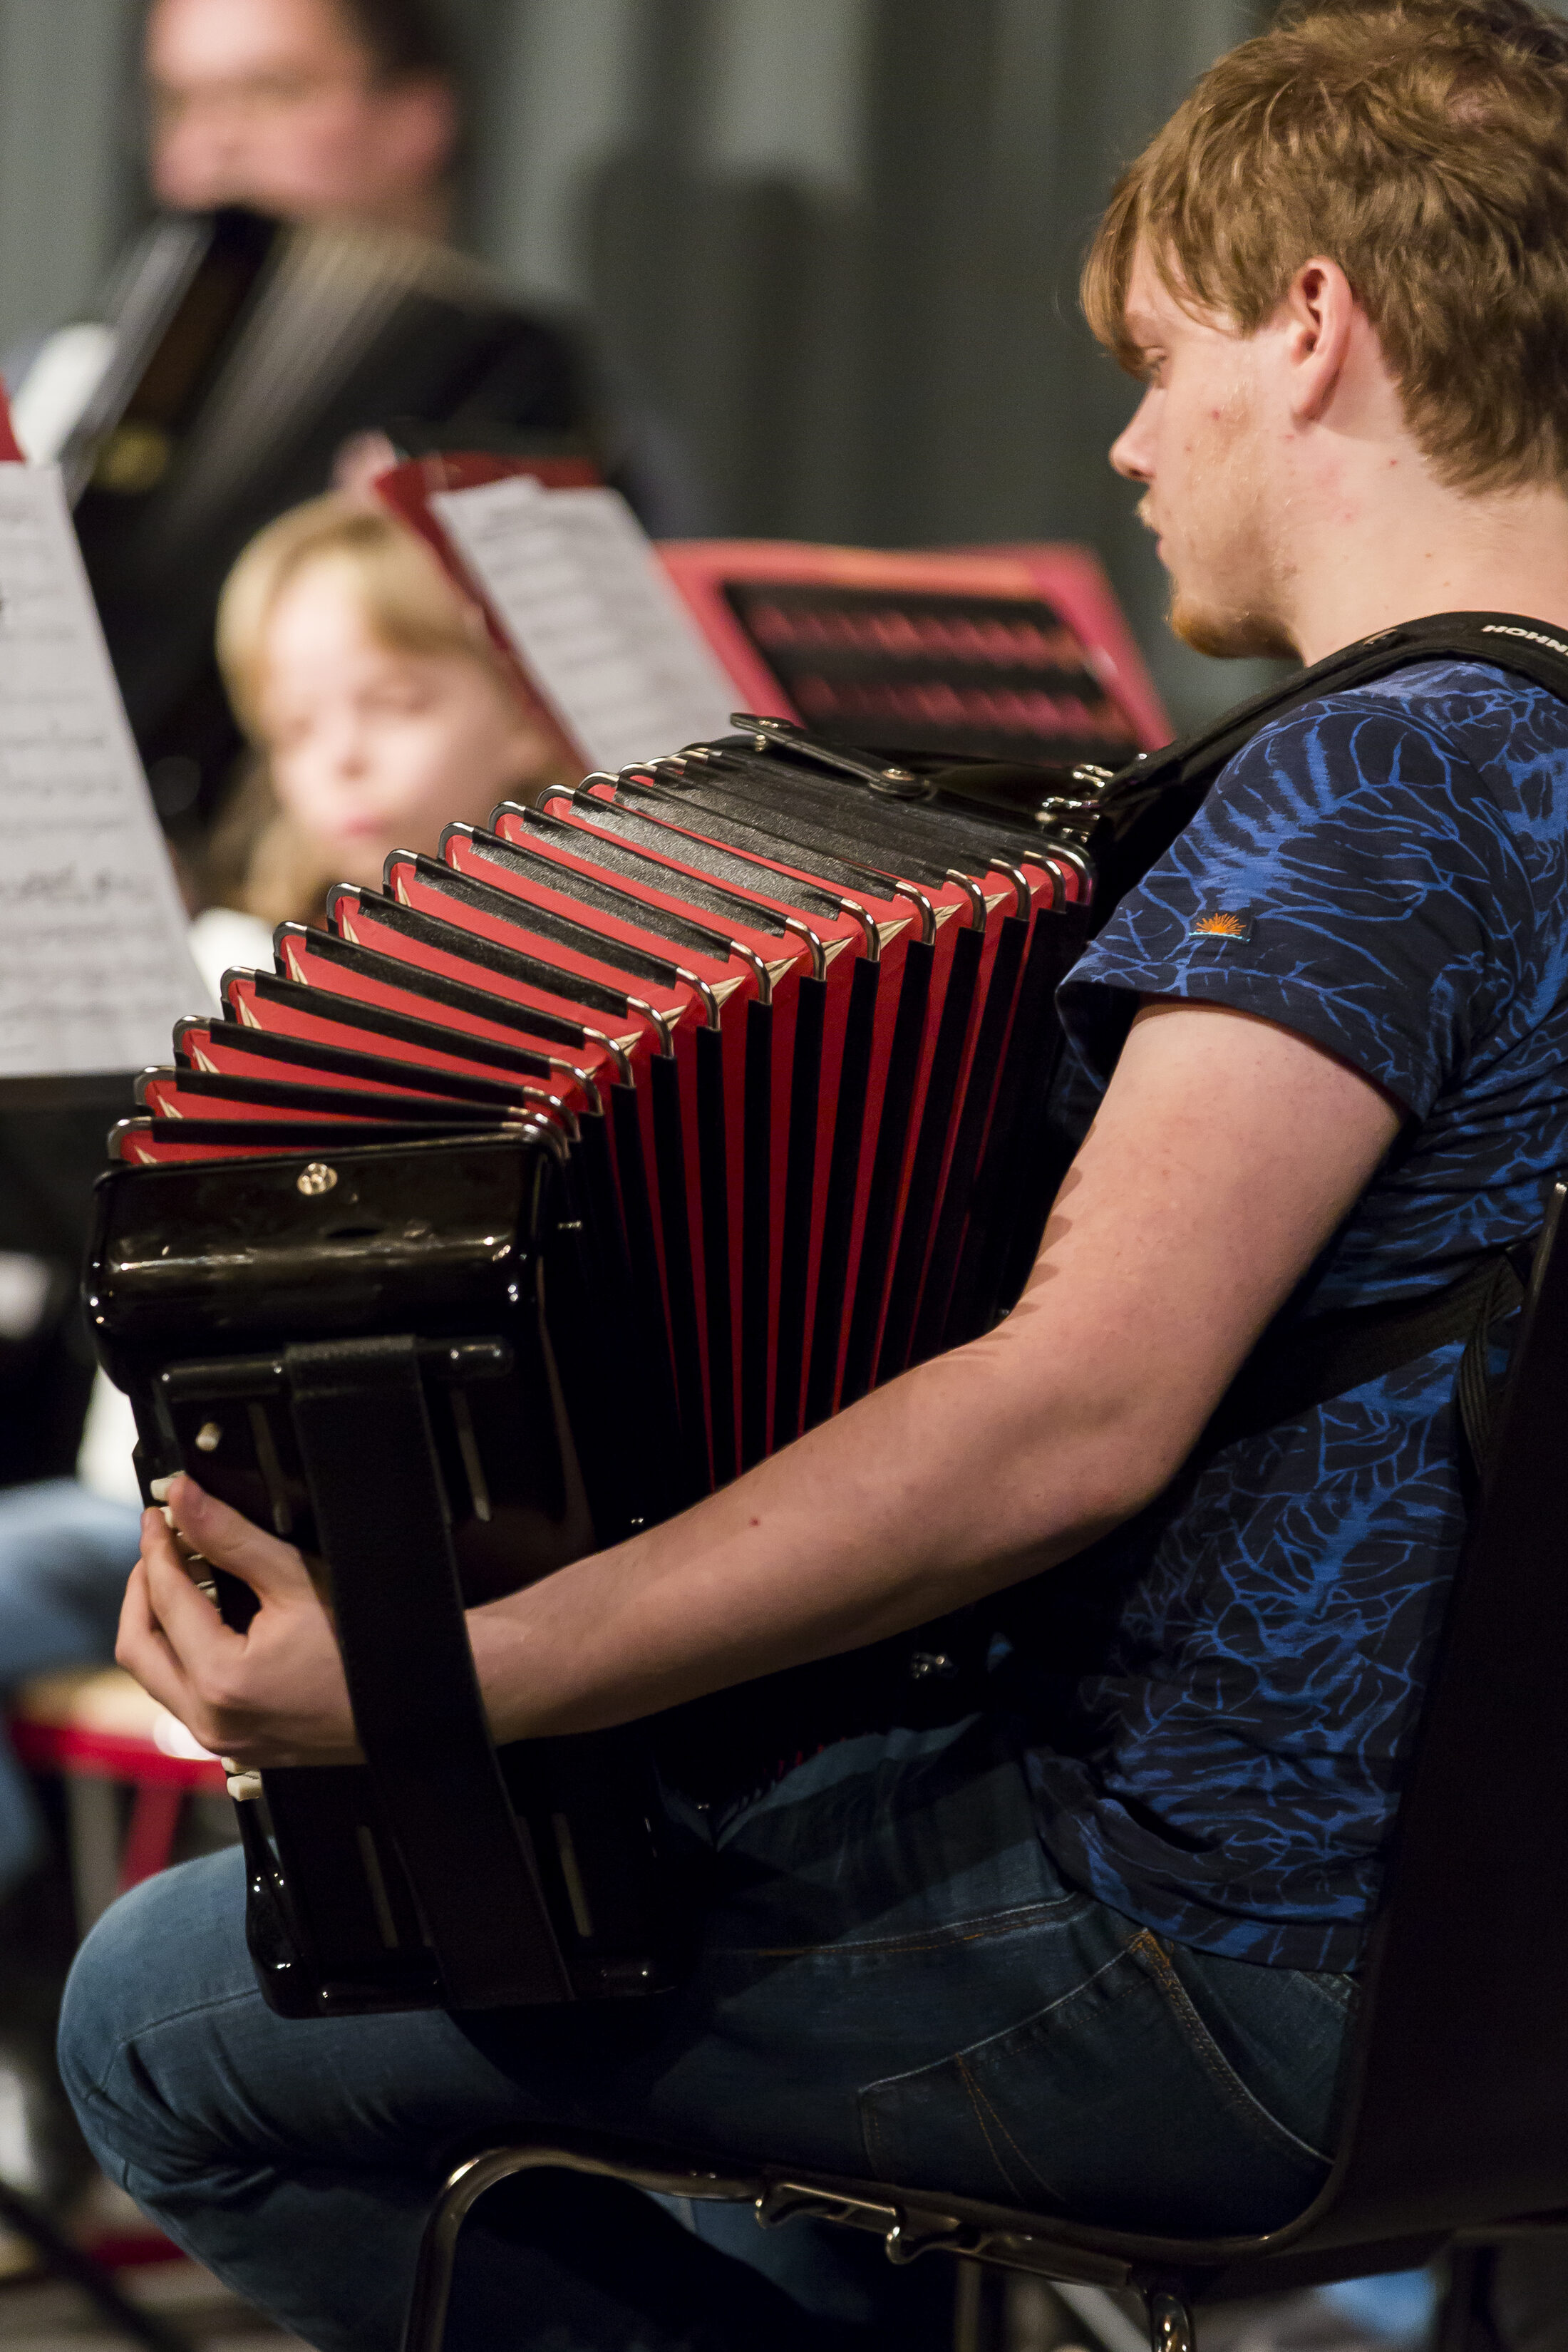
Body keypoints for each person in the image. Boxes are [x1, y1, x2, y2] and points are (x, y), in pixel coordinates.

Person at [56, 2, 1568, 2348]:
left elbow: (1081, 1411)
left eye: (1161, 358)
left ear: (1313, 323)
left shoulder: (1387, 786)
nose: (1132, 437)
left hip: (1231, 1954)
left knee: (163, 2013)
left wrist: (452, 1682)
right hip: (1497, 1964)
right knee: (752, 1882)